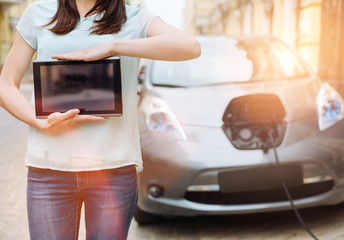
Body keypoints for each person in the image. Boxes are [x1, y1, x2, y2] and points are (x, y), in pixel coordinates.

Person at [0, 0, 201, 239]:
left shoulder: (133, 15)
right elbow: (5, 85)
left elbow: (190, 46)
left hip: (113, 171)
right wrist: (39, 121)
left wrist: (112, 47)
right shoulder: (38, 13)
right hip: (49, 170)